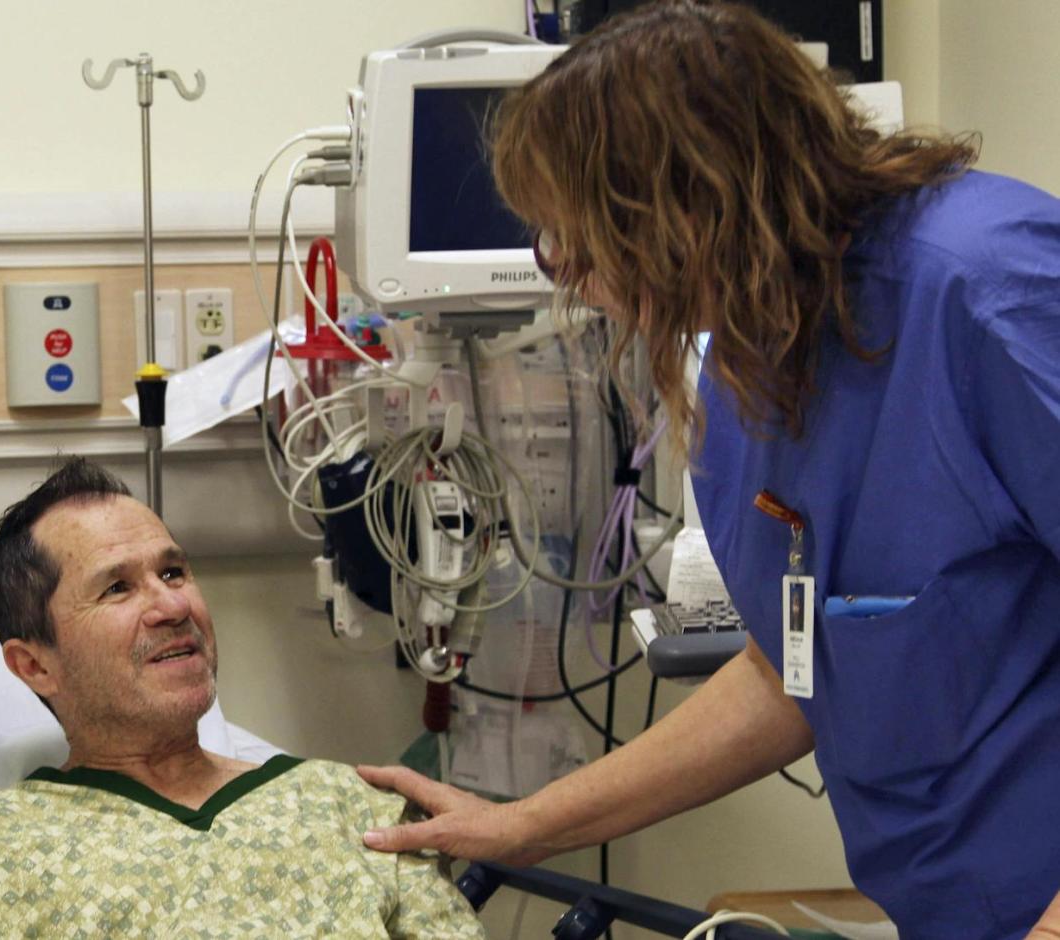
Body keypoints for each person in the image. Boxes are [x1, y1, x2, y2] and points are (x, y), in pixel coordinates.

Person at [356, 2, 1060, 938]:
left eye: (573, 229)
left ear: (686, 202)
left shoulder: (989, 293)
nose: (559, 267)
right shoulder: (749, 372)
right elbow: (792, 674)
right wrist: (519, 828)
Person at [0, 457, 483, 939]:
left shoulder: (352, 809)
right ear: (35, 665)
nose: (173, 606)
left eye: (174, 572)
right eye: (118, 588)